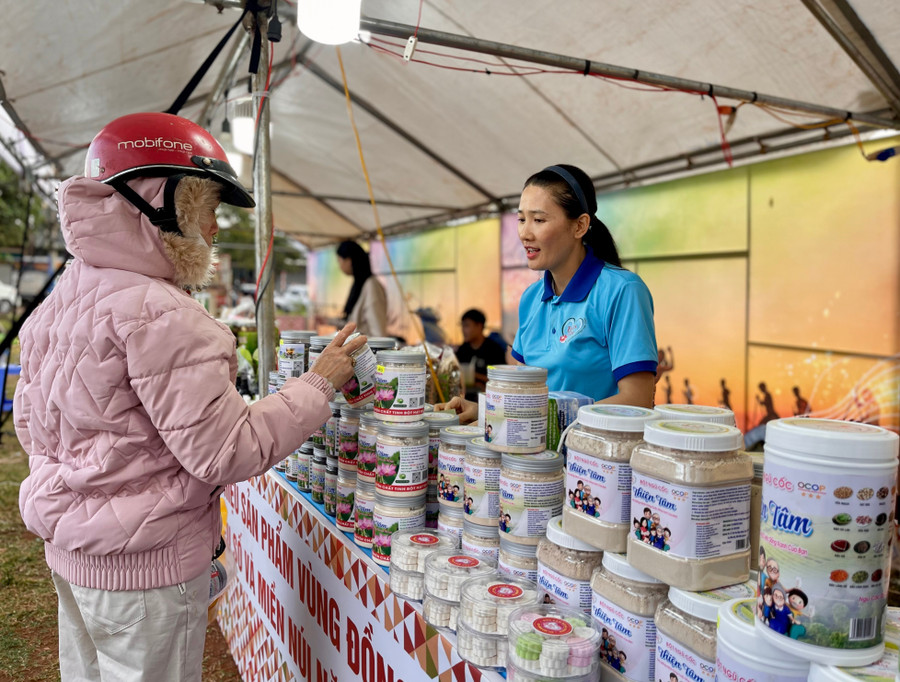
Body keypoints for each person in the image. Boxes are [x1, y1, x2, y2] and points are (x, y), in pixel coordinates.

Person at [14, 112, 366, 682]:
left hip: (74, 553)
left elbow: (30, 428)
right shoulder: (164, 313)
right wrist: (318, 383)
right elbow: (227, 451)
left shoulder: (62, 298)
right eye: (210, 210)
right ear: (166, 204)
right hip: (145, 570)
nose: (216, 228)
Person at [438, 164, 657, 421]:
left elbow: (637, 399)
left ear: (580, 226)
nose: (524, 233)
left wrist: (549, 422)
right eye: (521, 219)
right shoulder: (531, 299)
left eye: (539, 220)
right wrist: (484, 412)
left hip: (593, 447)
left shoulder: (622, 291)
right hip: (535, 446)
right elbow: (524, 394)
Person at [336, 240, 388, 337]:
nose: (340, 266)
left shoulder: (371, 285)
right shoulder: (360, 284)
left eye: (339, 261)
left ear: (349, 261)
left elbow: (378, 332)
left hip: (366, 345)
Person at [455, 308, 506, 400]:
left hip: (490, 397)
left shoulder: (494, 350)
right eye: (462, 326)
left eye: (466, 326)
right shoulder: (463, 350)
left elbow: (502, 379)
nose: (463, 330)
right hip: (464, 397)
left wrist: (474, 375)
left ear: (479, 326)